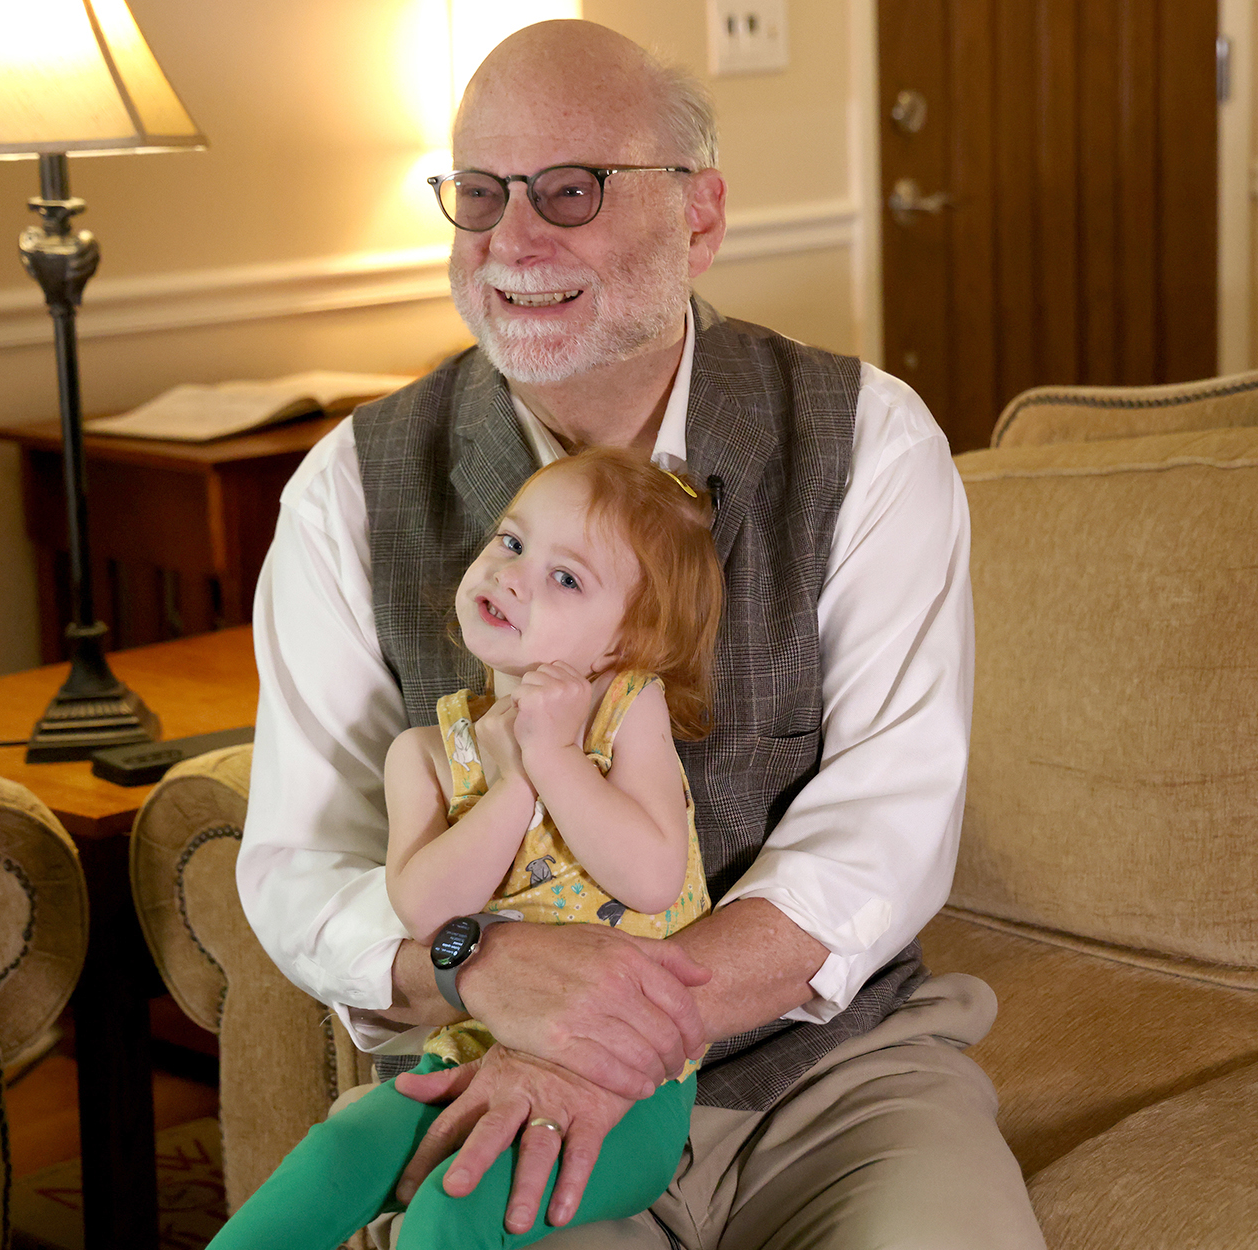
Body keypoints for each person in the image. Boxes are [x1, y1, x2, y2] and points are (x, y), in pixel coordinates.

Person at [237, 17, 1046, 1248]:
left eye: (569, 191)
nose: (512, 239)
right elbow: (298, 865)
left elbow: (885, 826)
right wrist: (482, 967)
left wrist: (612, 1039)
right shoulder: (347, 489)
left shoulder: (869, 441)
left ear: (700, 218)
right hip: (493, 1082)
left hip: (831, 1083)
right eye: (480, 194)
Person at [217, 451, 721, 1246]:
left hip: (630, 1084)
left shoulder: (629, 711)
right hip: (472, 1049)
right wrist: (512, 781)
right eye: (512, 542)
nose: (514, 575)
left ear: (624, 643)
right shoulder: (426, 752)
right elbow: (425, 910)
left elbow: (654, 876)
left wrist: (553, 759)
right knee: (336, 1153)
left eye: (567, 579)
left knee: (452, 1209)